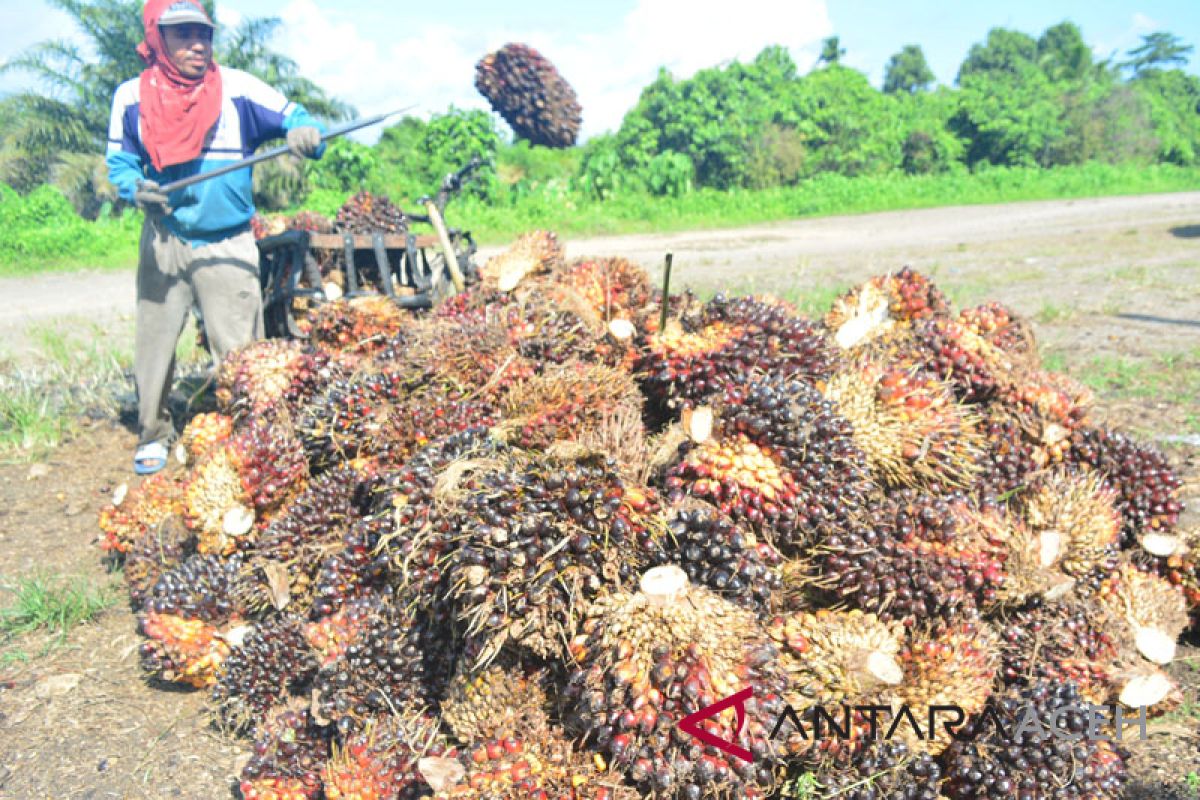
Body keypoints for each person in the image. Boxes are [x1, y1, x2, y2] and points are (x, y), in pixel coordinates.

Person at [106, 0, 326, 474]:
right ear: (157, 39)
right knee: (155, 344)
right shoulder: (130, 97)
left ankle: (256, 441)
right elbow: (120, 164)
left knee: (242, 353)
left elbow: (298, 118)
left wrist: (308, 132)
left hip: (228, 242)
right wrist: (135, 188)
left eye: (203, 34)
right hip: (165, 240)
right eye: (182, 35)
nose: (196, 45)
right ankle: (154, 434)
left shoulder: (239, 90)